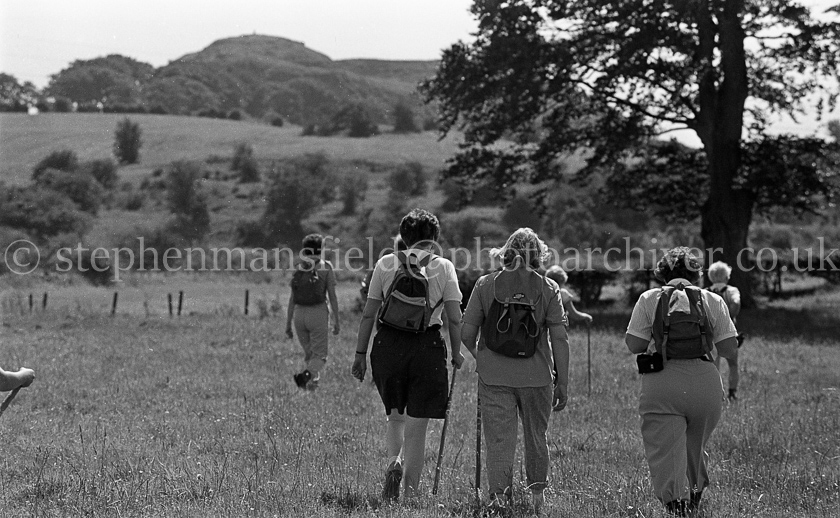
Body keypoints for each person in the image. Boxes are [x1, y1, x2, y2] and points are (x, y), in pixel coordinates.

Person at [351, 209, 465, 501]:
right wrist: (457, 353)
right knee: (417, 427)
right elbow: (454, 318)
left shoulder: (386, 263)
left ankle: (393, 460)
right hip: (427, 347)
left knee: (395, 417)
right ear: (434, 237)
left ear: (403, 236)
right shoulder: (444, 267)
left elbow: (368, 315)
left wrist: (360, 354)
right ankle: (411, 495)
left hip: (388, 346)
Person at [461, 228, 570, 514]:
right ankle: (537, 499)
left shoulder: (485, 284)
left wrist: (482, 359)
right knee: (536, 436)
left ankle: (499, 499)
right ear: (539, 256)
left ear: (506, 253)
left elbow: (467, 333)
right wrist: (563, 381)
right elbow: (560, 338)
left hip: (494, 377)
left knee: (499, 440)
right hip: (537, 377)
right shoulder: (549, 288)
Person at [625, 247, 738, 516]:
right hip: (705, 383)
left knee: (665, 448)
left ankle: (675, 504)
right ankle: (695, 494)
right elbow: (729, 349)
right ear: (697, 274)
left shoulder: (649, 298)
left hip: (662, 381)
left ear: (662, 273)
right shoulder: (712, 299)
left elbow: (634, 345)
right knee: (694, 446)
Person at [286, 234, 340, 390]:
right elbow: (332, 296)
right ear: (321, 249)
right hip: (317, 313)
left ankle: (312, 386)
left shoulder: (299, 268)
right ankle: (305, 377)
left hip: (299, 315)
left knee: (310, 354)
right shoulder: (325, 267)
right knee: (320, 356)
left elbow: (292, 299)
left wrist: (288, 323)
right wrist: (336, 320)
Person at [707, 261, 742, 401]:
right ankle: (732, 393)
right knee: (733, 364)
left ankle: (716, 393)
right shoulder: (731, 290)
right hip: (728, 332)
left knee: (714, 365)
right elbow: (736, 303)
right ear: (727, 276)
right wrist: (729, 316)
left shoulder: (705, 292)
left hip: (710, 333)